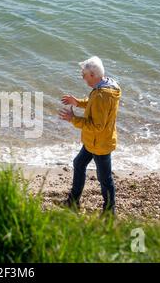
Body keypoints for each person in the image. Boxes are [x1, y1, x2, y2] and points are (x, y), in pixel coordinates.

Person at [60, 56, 121, 215]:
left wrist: (73, 119)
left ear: (93, 75)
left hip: (99, 144)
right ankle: (73, 201)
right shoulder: (105, 86)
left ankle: (109, 212)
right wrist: (77, 102)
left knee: (105, 179)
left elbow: (97, 126)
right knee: (79, 163)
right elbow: (93, 103)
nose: (83, 78)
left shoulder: (102, 94)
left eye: (84, 75)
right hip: (93, 141)